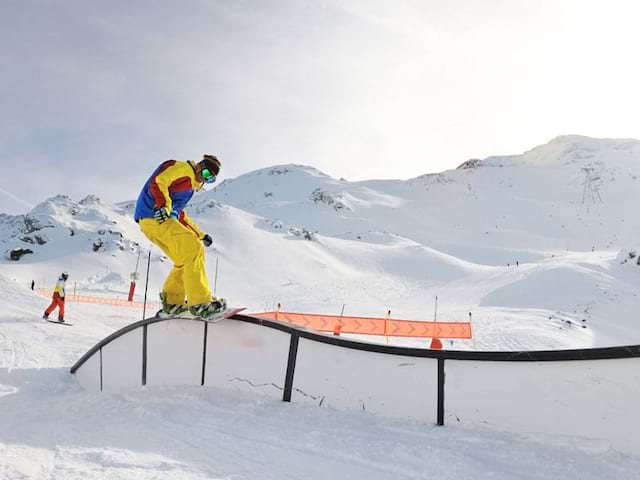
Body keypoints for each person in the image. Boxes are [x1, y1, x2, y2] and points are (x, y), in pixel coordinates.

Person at [134, 154, 226, 318]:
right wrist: (163, 206)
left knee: (184, 259)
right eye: (206, 174)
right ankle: (200, 303)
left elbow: (179, 214)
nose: (205, 180)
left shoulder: (188, 187)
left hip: (154, 220)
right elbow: (159, 181)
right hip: (155, 216)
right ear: (199, 166)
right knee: (193, 249)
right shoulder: (184, 169)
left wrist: (201, 234)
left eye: (210, 179)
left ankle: (172, 302)